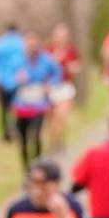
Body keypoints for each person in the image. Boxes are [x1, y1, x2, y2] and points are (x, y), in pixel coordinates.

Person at [11, 32, 64, 170]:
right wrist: (16, 80)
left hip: (39, 104)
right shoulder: (17, 61)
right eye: (29, 45)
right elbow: (7, 80)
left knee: (36, 135)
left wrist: (50, 84)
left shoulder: (46, 60)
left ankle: (38, 166)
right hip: (22, 104)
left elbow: (58, 73)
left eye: (34, 45)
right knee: (23, 139)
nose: (31, 48)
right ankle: (26, 169)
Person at [44, 23, 82, 155]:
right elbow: (43, 68)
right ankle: (53, 142)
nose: (61, 38)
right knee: (52, 119)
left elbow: (77, 66)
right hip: (51, 87)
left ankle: (60, 141)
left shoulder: (71, 50)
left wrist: (72, 67)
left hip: (65, 86)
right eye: (59, 36)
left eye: (64, 36)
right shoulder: (48, 50)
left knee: (62, 116)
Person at [0, 24, 26, 142]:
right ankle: (17, 130)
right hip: (17, 81)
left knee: (3, 108)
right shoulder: (22, 43)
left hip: (1, 81)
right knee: (18, 107)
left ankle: (5, 134)